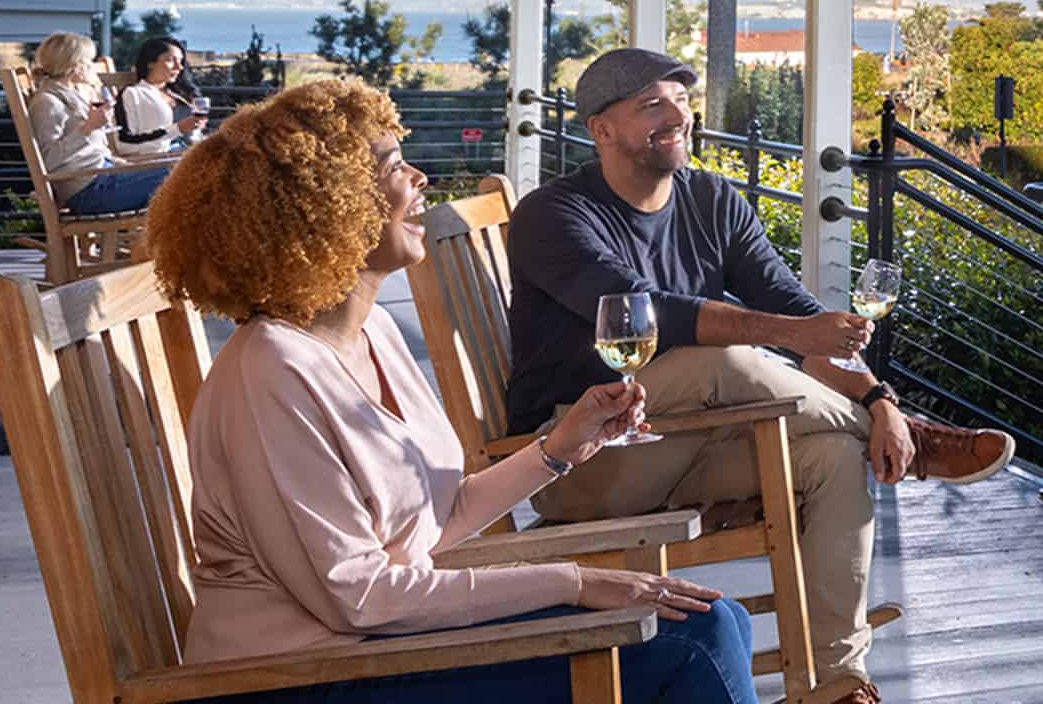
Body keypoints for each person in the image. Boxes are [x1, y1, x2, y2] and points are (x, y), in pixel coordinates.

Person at [148, 79, 758, 704]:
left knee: (718, 620)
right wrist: (573, 582)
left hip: (376, 648)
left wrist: (557, 452)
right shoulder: (271, 372)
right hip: (296, 677)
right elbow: (359, 597)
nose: (419, 177)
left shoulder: (372, 329)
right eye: (391, 165)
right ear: (324, 206)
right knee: (693, 641)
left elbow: (428, 524)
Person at [505, 48, 1018, 703]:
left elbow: (792, 309)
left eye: (681, 100)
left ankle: (834, 683)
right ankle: (917, 445)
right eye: (651, 106)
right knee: (718, 358)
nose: (677, 116)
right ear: (601, 129)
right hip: (580, 459)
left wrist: (879, 397)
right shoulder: (555, 215)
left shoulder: (712, 199)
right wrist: (790, 338)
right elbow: (646, 316)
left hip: (684, 439)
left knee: (832, 455)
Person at [25, 30, 170, 215]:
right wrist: (88, 128)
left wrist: (122, 164)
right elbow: (48, 162)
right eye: (89, 61)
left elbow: (91, 152)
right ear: (74, 66)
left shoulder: (73, 96)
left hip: (103, 177)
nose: (92, 67)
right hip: (89, 190)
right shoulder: (47, 102)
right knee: (181, 174)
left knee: (183, 169)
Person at [116, 36, 206, 156]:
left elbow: (194, 136)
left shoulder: (180, 94)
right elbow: (124, 145)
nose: (179, 67)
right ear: (150, 63)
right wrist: (177, 129)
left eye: (180, 61)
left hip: (188, 155)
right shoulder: (133, 94)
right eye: (171, 60)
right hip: (160, 160)